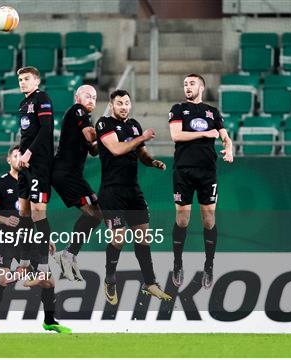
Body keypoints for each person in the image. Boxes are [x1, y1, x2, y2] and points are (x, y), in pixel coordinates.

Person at [0, 145, 71, 334]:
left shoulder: (33, 182)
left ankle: (49, 321)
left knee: (48, 281)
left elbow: (38, 213)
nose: (19, 158)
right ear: (9, 160)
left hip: (29, 238)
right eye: (15, 155)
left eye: (21, 155)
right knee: (2, 277)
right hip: (6, 238)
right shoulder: (0, 183)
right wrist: (4, 219)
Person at [95, 89, 171, 305]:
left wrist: (152, 161)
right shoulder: (103, 123)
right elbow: (117, 149)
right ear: (111, 105)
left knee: (143, 236)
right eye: (120, 103)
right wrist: (142, 137)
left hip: (133, 189)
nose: (124, 107)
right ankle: (110, 279)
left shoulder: (134, 125)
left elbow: (141, 153)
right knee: (118, 237)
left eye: (127, 103)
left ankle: (150, 282)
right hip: (112, 191)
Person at [168, 73, 233, 289]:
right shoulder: (178, 109)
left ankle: (209, 264)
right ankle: (178, 262)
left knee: (208, 219)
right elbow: (176, 135)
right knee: (183, 219)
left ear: (201, 87)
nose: (187, 87)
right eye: (185, 83)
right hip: (183, 170)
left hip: (207, 171)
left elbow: (224, 135)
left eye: (192, 83)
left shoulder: (212, 112)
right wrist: (206, 134)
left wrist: (229, 147)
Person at [52, 85, 102, 280]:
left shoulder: (84, 121)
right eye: (87, 96)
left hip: (74, 176)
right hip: (65, 174)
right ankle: (68, 254)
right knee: (95, 214)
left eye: (95, 97)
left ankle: (68, 254)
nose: (91, 99)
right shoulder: (77, 110)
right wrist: (110, 132)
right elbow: (91, 136)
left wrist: (98, 140)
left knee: (97, 213)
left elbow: (94, 150)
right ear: (77, 97)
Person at [16, 66, 54, 280]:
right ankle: (24, 259)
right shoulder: (23, 103)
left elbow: (46, 128)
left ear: (36, 81)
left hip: (39, 163)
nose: (23, 82)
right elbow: (26, 133)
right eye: (20, 79)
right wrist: (21, 155)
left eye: (27, 78)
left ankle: (43, 264)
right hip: (25, 165)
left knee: (39, 210)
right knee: (24, 211)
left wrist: (29, 153)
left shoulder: (42, 98)